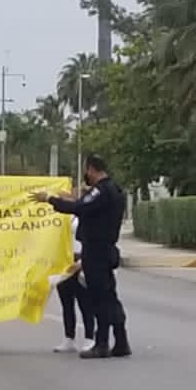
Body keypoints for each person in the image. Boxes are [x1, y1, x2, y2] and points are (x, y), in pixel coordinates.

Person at [34, 154, 130, 360]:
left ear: (92, 170)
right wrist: (68, 200)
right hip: (105, 249)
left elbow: (80, 208)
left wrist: (50, 199)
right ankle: (121, 341)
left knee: (99, 299)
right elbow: (84, 206)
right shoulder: (114, 190)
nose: (86, 175)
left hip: (97, 251)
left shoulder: (101, 190)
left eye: (87, 170)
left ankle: (102, 343)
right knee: (109, 298)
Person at [54, 217, 96, 354]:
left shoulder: (83, 216)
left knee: (85, 302)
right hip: (63, 261)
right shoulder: (56, 217)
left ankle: (89, 337)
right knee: (66, 303)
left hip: (80, 259)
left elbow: (92, 241)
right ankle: (69, 337)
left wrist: (82, 262)